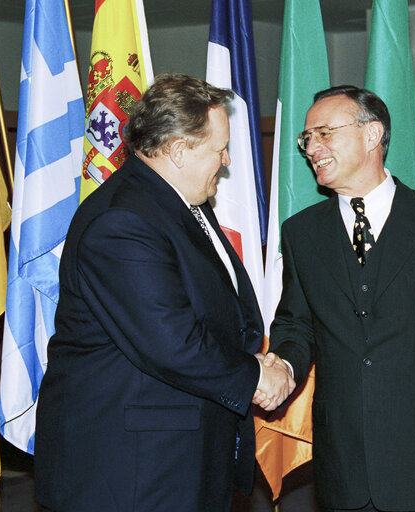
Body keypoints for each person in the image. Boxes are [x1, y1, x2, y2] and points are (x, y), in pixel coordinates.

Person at [34, 73, 294, 512]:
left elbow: (219, 308)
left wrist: (255, 360)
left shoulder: (179, 202)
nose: (227, 160)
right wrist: (254, 376)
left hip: (177, 456)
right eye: (219, 148)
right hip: (129, 470)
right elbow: (171, 341)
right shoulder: (122, 221)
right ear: (177, 150)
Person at [257, 86, 415, 512]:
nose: (312, 147)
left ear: (372, 135)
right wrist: (284, 367)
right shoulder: (301, 232)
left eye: (324, 133)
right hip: (342, 462)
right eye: (306, 138)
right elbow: (296, 325)